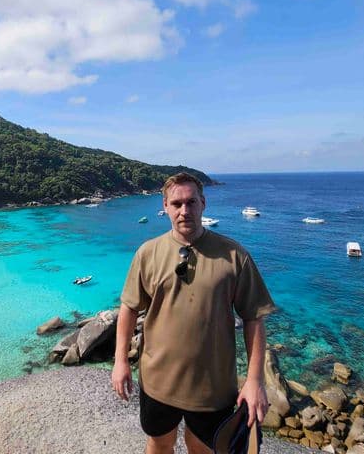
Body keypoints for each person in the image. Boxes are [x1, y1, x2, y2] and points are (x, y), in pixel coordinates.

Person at [111, 172, 276, 454]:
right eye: (176, 204)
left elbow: (253, 317)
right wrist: (120, 361)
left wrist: (254, 381)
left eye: (191, 202)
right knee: (159, 443)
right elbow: (128, 307)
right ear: (165, 207)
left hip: (212, 389)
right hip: (157, 382)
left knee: (201, 448)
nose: (184, 211)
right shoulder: (148, 253)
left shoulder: (234, 256)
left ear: (203, 203)